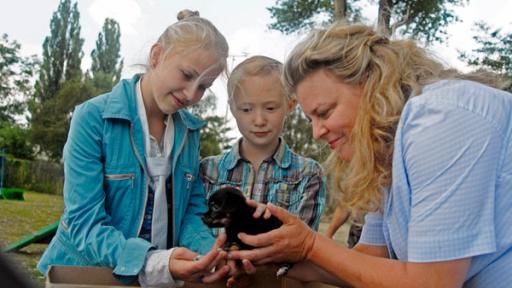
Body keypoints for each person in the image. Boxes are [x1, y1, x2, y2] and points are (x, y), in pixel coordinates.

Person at [227, 23, 512, 287]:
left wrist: (311, 244)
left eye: (324, 113)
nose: (316, 133)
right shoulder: (385, 150)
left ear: (372, 84)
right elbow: (371, 258)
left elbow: (432, 282)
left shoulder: (439, 119)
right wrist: (278, 255)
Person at [38, 10, 232, 287]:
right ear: (156, 56)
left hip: (160, 278)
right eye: (187, 75)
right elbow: (84, 222)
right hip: (89, 275)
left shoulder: (190, 132)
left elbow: (191, 209)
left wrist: (211, 254)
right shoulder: (93, 117)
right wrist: (152, 261)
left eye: (204, 86)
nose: (191, 94)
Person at [200, 56, 326, 231]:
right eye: (246, 109)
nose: (259, 120)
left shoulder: (308, 174)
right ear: (233, 108)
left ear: (290, 105)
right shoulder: (207, 171)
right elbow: (196, 229)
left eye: (270, 108)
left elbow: (303, 243)